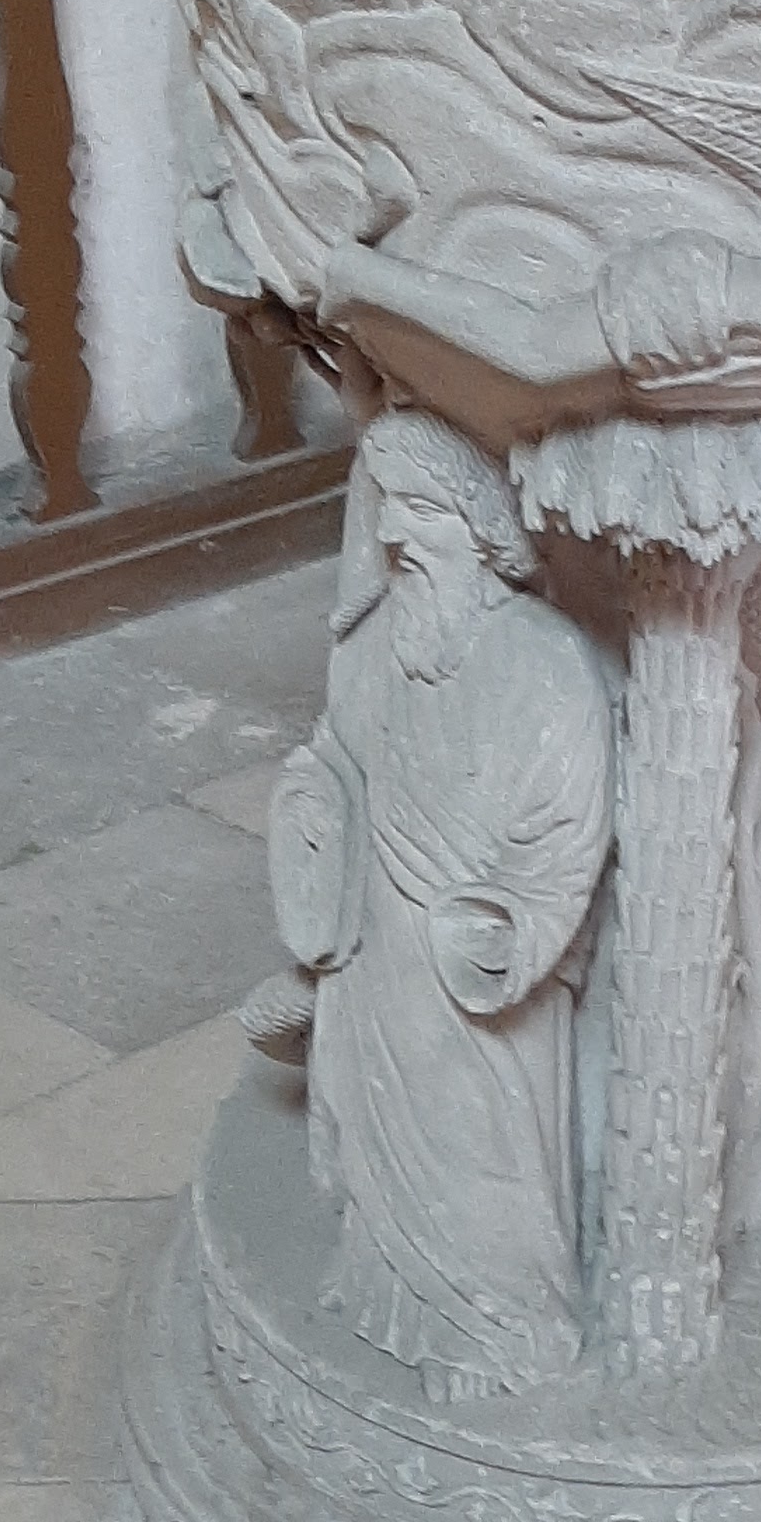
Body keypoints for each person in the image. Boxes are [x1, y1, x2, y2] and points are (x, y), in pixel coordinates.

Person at [265, 410, 618, 1393]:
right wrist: (312, 811)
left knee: (480, 1142)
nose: (395, 535)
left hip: (472, 960)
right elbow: (334, 765)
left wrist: (504, 925)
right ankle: (393, 1292)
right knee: (380, 1129)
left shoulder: (545, 663)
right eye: (389, 508)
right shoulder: (373, 648)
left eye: (422, 511)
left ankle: (508, 1328)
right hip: (378, 951)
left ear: (482, 528)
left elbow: (567, 834)